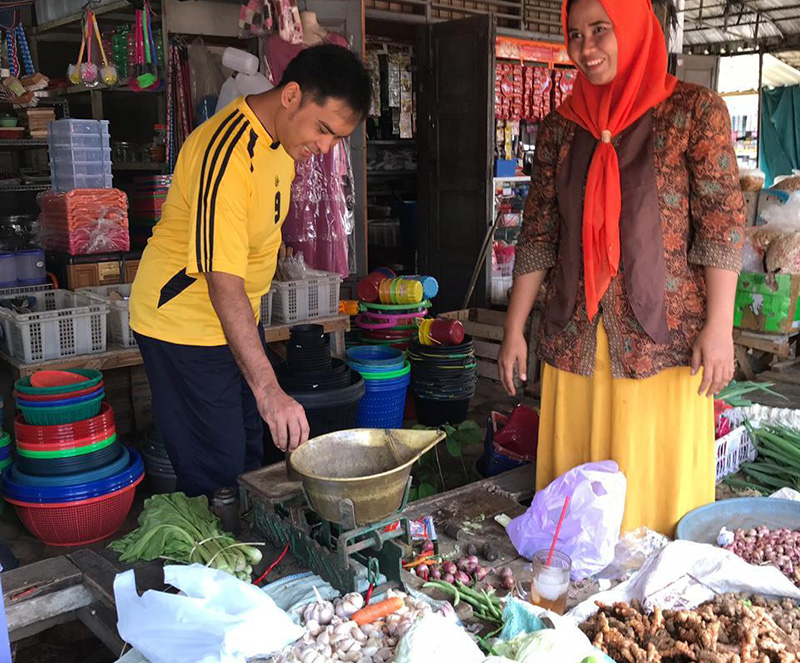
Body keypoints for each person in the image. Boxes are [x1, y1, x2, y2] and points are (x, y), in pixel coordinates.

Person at [498, 0, 745, 535]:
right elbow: (539, 232)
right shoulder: (563, 128)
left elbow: (722, 227)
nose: (586, 49)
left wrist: (719, 327)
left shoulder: (694, 113)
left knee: (651, 502)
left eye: (600, 30)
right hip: (576, 338)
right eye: (576, 34)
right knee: (577, 499)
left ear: (633, 27)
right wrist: (514, 328)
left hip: (663, 345)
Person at [129, 44, 372, 497]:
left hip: (237, 318)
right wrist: (269, 389)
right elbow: (222, 281)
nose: (325, 148)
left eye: (338, 138)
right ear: (291, 95)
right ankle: (211, 559)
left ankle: (248, 546)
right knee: (215, 467)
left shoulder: (283, 143)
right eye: (323, 130)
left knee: (248, 449)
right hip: (184, 324)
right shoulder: (224, 153)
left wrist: (264, 386)